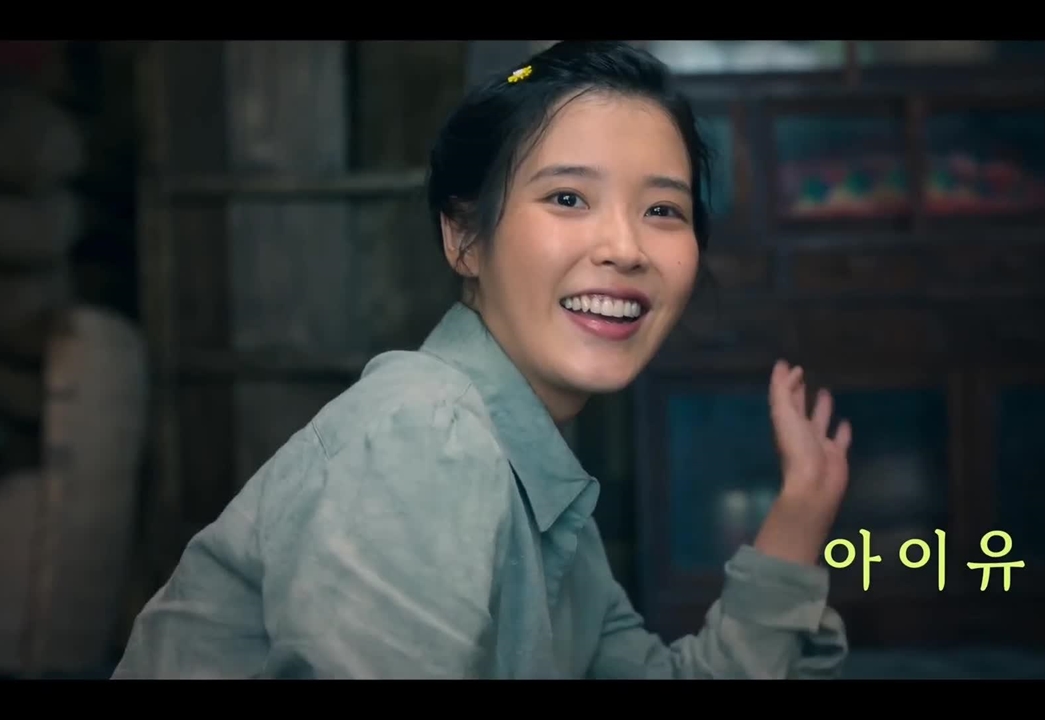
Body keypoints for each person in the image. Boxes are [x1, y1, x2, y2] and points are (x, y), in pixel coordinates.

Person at [114, 40, 852, 680]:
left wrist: (799, 511)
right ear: (464, 237)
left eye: (663, 210)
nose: (625, 248)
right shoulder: (424, 438)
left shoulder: (537, 488)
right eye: (568, 198)